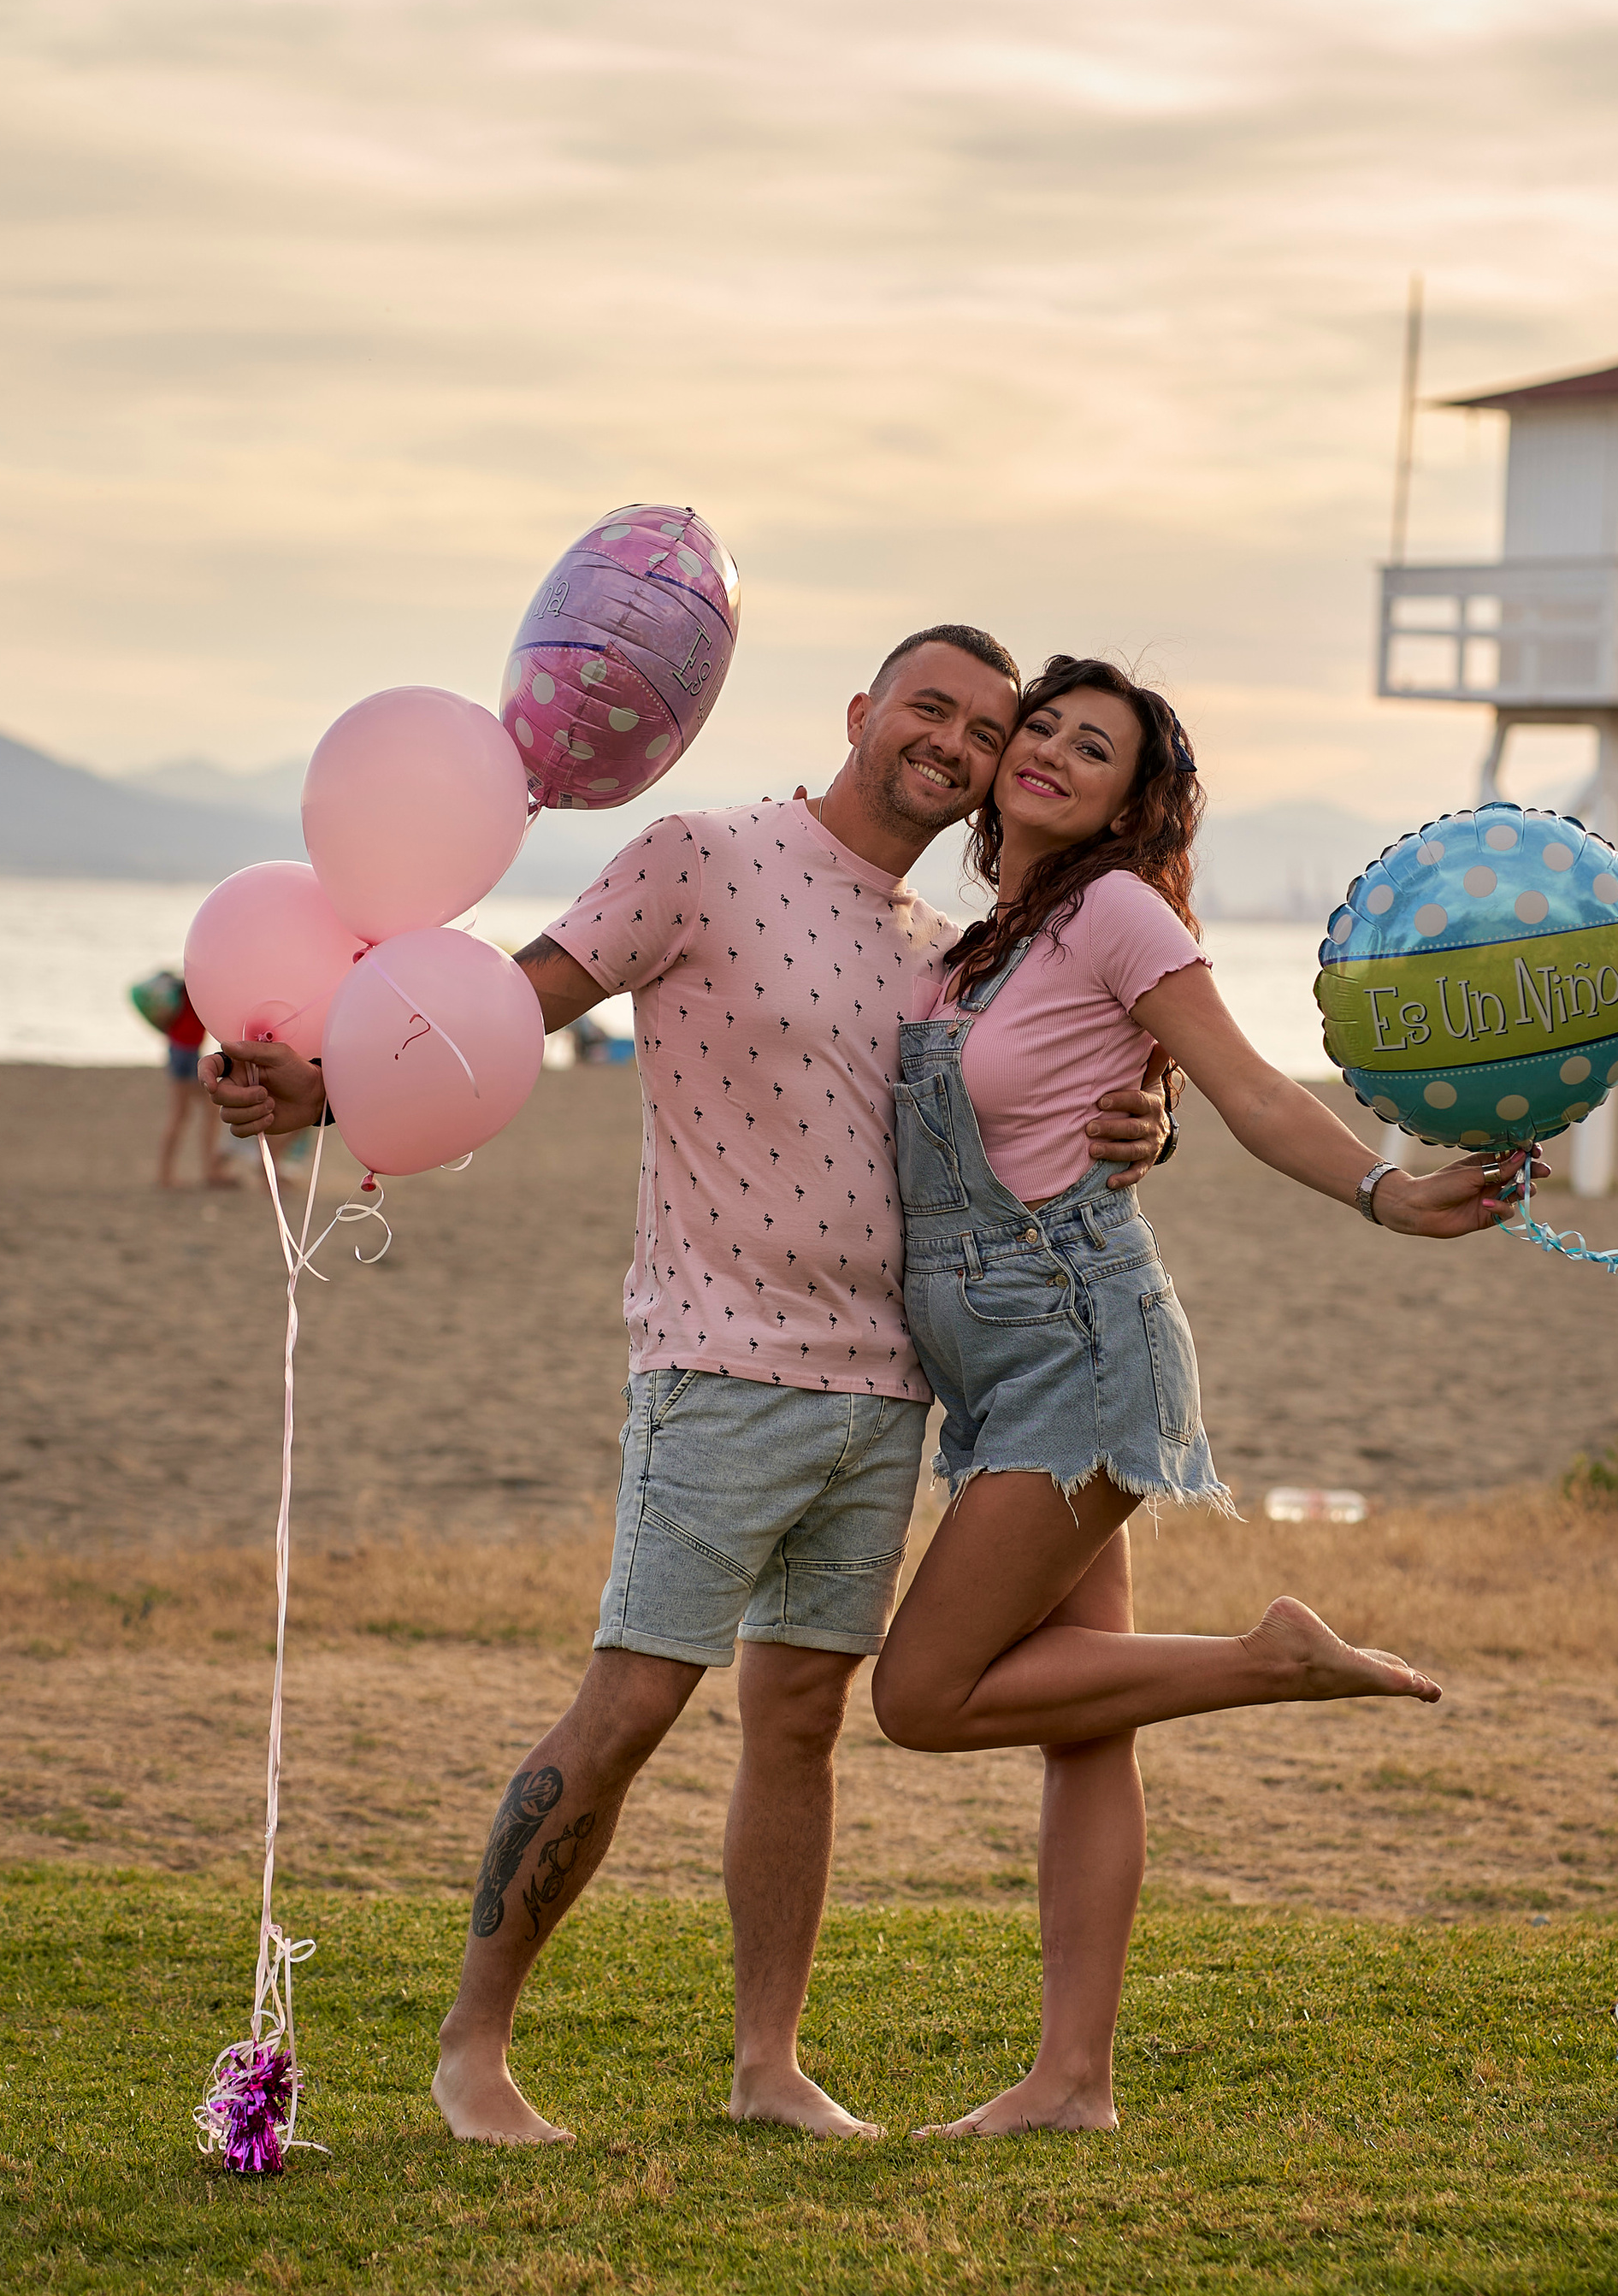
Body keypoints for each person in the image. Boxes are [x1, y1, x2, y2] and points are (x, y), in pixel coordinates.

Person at [202, 629, 1173, 2145]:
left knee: (798, 1724)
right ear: (861, 715)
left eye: (988, 733)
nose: (957, 745)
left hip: (887, 1390)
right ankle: (474, 2051)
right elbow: (510, 1000)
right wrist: (324, 1078)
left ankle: (767, 2066)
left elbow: (1041, 1091)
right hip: (718, 1369)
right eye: (931, 707)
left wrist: (1142, 1120)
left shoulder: (943, 944)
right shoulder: (699, 858)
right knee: (632, 1705)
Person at [870, 656, 1539, 2139]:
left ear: (1129, 801)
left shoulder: (1117, 912)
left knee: (918, 1698)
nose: (1045, 751)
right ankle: (1072, 2083)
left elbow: (1242, 1083)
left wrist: (1383, 1189)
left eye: (1088, 746)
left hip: (1075, 1347)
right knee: (1085, 1725)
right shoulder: (978, 941)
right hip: (989, 1372)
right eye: (1037, 726)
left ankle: (1271, 1661)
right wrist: (1138, 1118)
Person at [132, 966, 241, 1190]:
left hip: (179, 1051)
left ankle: (180, 1172)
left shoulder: (185, 988)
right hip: (186, 1053)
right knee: (187, 1113)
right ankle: (190, 1172)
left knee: (186, 1113)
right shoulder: (196, 991)